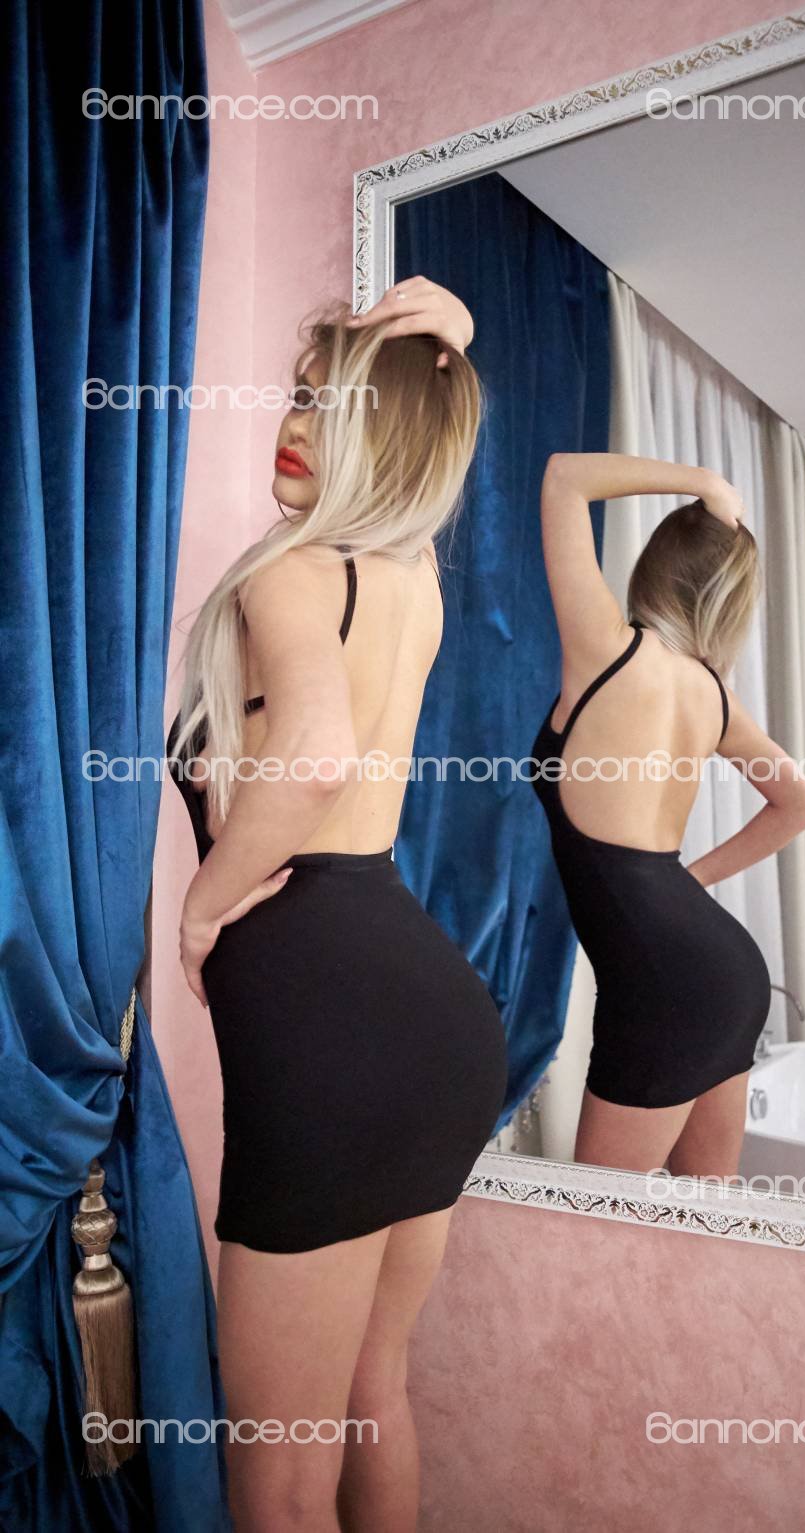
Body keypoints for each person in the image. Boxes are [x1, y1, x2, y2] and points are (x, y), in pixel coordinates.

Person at [166, 277, 507, 1533]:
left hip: (328, 1029)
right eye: (303, 394)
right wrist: (442, 343)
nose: (299, 425)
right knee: (373, 1396)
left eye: (343, 407)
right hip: (432, 1019)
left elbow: (312, 756)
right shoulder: (408, 577)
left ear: (391, 433)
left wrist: (202, 907)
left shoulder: (296, 571)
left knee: (277, 1476)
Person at [531, 453, 805, 1179]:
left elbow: (564, 478)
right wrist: (687, 882)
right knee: (705, 1217)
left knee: (599, 1222)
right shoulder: (712, 694)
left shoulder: (604, 650)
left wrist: (702, 483)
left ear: (652, 568)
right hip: (726, 972)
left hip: (665, 986)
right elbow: (800, 805)